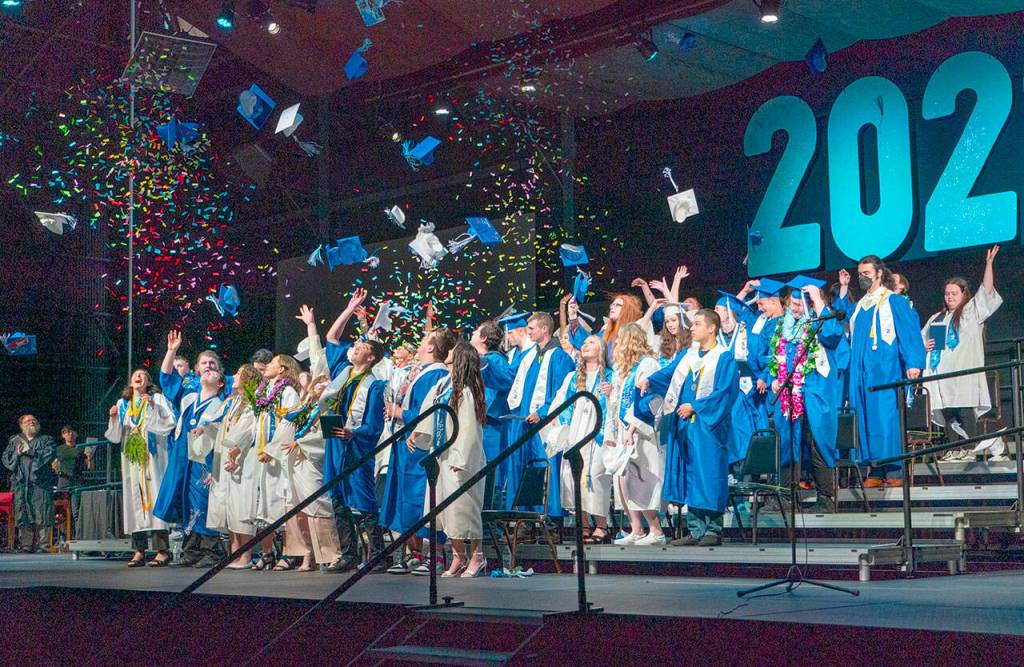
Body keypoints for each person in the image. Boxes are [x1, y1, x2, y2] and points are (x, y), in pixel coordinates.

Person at [639, 309, 739, 546]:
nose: (691, 328)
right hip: (685, 426)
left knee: (709, 474)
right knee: (690, 474)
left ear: (712, 328)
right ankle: (695, 530)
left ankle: (713, 529)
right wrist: (650, 380)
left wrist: (695, 406)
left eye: (696, 324)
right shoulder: (688, 355)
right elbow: (669, 374)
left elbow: (725, 392)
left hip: (708, 428)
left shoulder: (723, 357)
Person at [380, 328, 456, 574]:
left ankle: (432, 556)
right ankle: (414, 553)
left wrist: (400, 412)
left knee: (420, 499)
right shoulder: (417, 373)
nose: (420, 343)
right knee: (404, 499)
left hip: (421, 445)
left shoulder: (437, 375)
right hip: (404, 442)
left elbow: (429, 414)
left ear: (432, 347)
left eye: (424, 340)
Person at [412, 341, 489, 578]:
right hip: (441, 455)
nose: (450, 352)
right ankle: (458, 556)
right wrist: (418, 432)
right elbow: (430, 409)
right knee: (445, 510)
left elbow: (469, 429)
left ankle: (477, 556)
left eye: (454, 352)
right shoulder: (443, 384)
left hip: (459, 458)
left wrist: (463, 459)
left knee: (464, 509)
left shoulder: (466, 391)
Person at [767, 279, 845, 512]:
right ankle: (787, 496)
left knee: (818, 441)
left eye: (801, 303)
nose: (796, 307)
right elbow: (776, 357)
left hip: (816, 392)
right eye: (793, 303)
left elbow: (833, 335)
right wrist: (775, 377)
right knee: (788, 442)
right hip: (788, 393)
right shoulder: (784, 327)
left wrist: (819, 302)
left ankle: (826, 498)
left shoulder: (820, 322)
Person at [848, 255, 926, 487]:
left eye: (866, 273)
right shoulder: (860, 306)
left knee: (885, 418)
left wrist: (914, 363)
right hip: (861, 373)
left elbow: (910, 334)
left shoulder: (894, 301)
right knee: (865, 419)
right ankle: (875, 470)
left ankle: (894, 470)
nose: (862, 278)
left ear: (879, 273)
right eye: (859, 274)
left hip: (885, 370)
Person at [923, 246, 1003, 461]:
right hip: (942, 375)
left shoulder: (971, 311)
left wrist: (988, 265)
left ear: (963, 294)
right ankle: (955, 448)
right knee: (948, 411)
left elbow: (986, 292)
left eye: (954, 293)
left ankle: (970, 447)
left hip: (963, 373)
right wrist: (926, 346)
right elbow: (927, 344)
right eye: (947, 293)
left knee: (964, 409)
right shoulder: (937, 319)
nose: (949, 297)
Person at [154, 331, 226, 567]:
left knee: (204, 501)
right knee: (186, 500)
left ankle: (212, 551)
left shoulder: (223, 399)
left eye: (213, 364)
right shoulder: (188, 394)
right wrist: (172, 350)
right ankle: (191, 551)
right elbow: (166, 378)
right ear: (196, 369)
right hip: (184, 455)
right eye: (204, 363)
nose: (208, 366)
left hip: (207, 456)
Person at [323, 337, 388, 572]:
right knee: (337, 498)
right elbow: (331, 338)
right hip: (334, 439)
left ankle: (378, 555)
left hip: (356, 445)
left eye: (362, 348)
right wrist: (350, 308)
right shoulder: (343, 373)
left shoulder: (375, 385)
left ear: (371, 358)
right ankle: (348, 554)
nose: (355, 348)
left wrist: (354, 433)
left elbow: (374, 426)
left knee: (363, 498)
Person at [268, 374, 343, 572]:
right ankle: (305, 555)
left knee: (317, 506)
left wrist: (300, 442)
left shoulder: (332, 407)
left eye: (326, 383)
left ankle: (331, 554)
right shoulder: (304, 407)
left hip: (312, 460)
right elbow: (287, 427)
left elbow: (330, 437)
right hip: (294, 461)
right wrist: (271, 450)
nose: (321, 385)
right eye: (319, 381)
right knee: (296, 508)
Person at [505, 312, 575, 521]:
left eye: (532, 328)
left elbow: (562, 392)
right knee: (526, 465)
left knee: (545, 464)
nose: (529, 332)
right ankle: (526, 516)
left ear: (544, 329)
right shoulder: (531, 356)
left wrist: (543, 412)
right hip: (526, 422)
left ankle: (550, 517)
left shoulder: (559, 357)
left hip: (546, 423)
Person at [105, 371, 177, 566]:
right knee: (134, 500)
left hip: (153, 457)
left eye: (143, 375)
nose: (139, 377)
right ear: (130, 382)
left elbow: (169, 423)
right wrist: (113, 419)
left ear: (148, 382)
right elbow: (115, 436)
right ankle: (139, 550)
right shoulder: (123, 404)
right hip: (132, 458)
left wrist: (153, 408)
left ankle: (162, 550)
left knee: (155, 498)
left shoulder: (157, 398)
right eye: (136, 375)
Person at [602, 324, 665, 545]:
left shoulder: (648, 364)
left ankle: (656, 531)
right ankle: (636, 528)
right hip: (623, 431)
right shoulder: (624, 370)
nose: (616, 344)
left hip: (640, 431)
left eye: (620, 340)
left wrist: (631, 429)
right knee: (623, 480)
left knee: (641, 479)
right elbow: (618, 403)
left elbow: (647, 400)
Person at [548, 335, 612, 543]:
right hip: (575, 431)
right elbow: (559, 403)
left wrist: (610, 394)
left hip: (597, 432)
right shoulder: (572, 378)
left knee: (595, 475)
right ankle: (584, 525)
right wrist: (559, 423)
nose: (585, 345)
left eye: (591, 342)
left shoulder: (610, 377)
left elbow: (616, 403)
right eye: (584, 343)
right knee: (573, 475)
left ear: (602, 350)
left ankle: (602, 525)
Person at [198, 364, 260, 568]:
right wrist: (206, 429)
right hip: (226, 454)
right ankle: (234, 553)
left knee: (242, 506)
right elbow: (221, 426)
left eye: (239, 374)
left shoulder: (252, 404)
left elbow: (246, 430)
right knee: (230, 507)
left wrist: (234, 447)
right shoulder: (232, 402)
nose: (234, 376)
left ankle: (246, 555)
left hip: (242, 457)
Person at [251, 354, 302, 569]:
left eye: (271, 363)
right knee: (263, 506)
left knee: (282, 502)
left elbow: (290, 422)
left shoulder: (288, 392)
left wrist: (272, 450)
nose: (267, 366)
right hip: (262, 454)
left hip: (279, 456)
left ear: (282, 369)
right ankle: (267, 552)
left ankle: (289, 552)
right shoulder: (262, 393)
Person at [470, 319, 515, 507]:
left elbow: (505, 382)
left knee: (491, 473)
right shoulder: (485, 361)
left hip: (492, 427)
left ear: (484, 338)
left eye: (475, 332)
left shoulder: (495, 361)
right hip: (482, 425)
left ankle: (492, 525)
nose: (471, 335)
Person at [3, 415, 56, 553]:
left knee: (42, 511)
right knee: (23, 512)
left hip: (40, 482)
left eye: (34, 420)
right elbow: (6, 458)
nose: (32, 422)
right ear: (21, 425)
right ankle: (25, 544)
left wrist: (30, 451)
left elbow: (49, 454)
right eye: (28, 421)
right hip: (21, 482)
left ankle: (43, 544)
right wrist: (17, 453)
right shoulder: (15, 441)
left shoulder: (46, 440)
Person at [567, 293, 643, 364]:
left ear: (628, 309)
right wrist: (572, 315)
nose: (612, 307)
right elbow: (585, 342)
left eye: (618, 305)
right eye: (612, 305)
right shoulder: (605, 333)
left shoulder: (636, 333)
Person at [52, 426, 92, 540]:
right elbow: (53, 464)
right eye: (66, 432)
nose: (69, 434)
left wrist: (89, 459)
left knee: (76, 511)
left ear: (76, 434)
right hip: (63, 482)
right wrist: (55, 467)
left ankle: (78, 536)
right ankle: (62, 537)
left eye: (72, 432)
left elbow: (89, 467)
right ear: (63, 435)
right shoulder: (58, 449)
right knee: (61, 512)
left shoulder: (81, 449)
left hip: (77, 482)